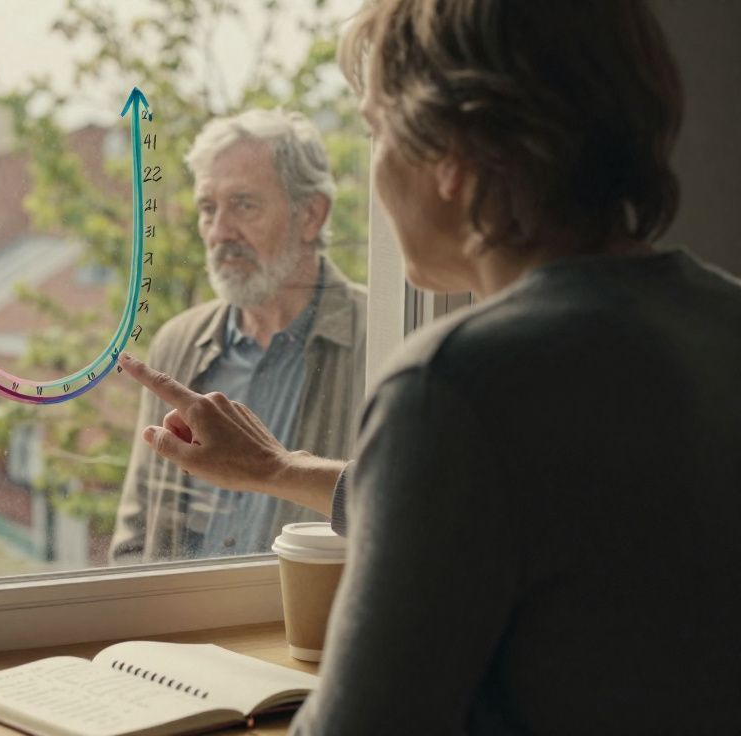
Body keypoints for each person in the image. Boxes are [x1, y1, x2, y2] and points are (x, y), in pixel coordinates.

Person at [117, 0, 741, 732]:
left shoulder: (454, 384)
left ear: (452, 151)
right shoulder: (720, 319)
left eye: (377, 131)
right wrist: (278, 470)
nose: (376, 174)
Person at [110, 109, 367, 563]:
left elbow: (403, 518)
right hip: (177, 632)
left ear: (310, 215)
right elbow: (134, 539)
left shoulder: (381, 336)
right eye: (208, 209)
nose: (220, 232)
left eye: (244, 205)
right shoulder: (177, 343)